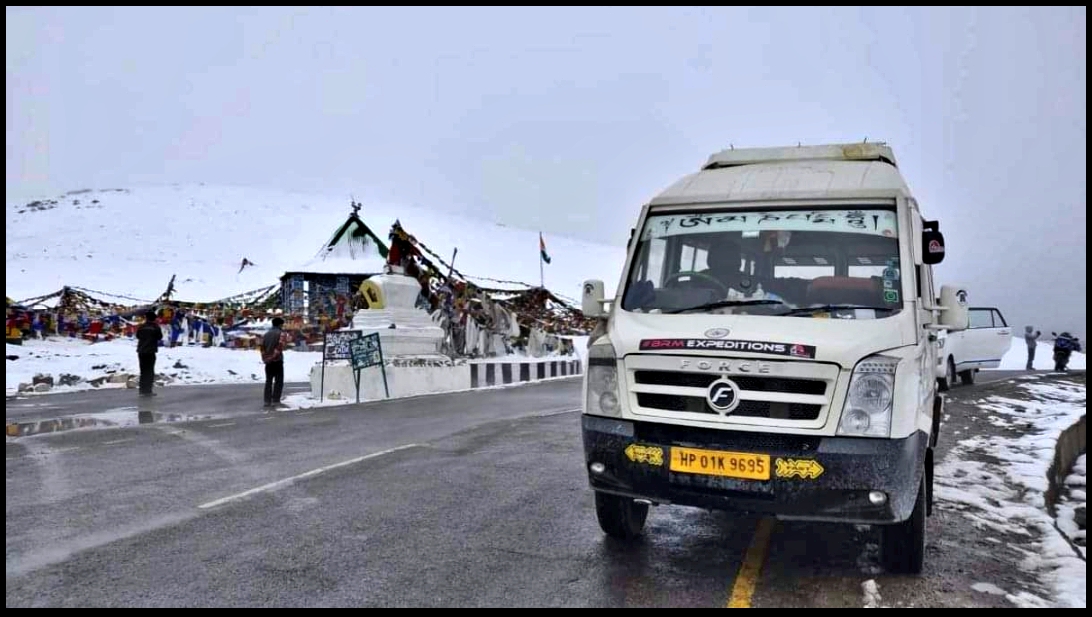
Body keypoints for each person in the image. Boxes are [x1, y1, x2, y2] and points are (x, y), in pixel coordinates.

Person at [135, 310, 163, 396]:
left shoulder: (141, 326)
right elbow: (159, 337)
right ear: (154, 319)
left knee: (143, 371)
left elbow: (137, 336)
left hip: (141, 351)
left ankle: (142, 390)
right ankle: (148, 391)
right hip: (150, 351)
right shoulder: (155, 327)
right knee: (150, 371)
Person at [261, 317, 286, 408]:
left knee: (268, 381)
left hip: (268, 362)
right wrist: (273, 357)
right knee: (279, 381)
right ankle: (276, 400)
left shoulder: (266, 334)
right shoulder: (281, 334)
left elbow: (262, 347)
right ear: (280, 324)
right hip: (277, 360)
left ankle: (267, 401)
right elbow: (280, 347)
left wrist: (265, 358)